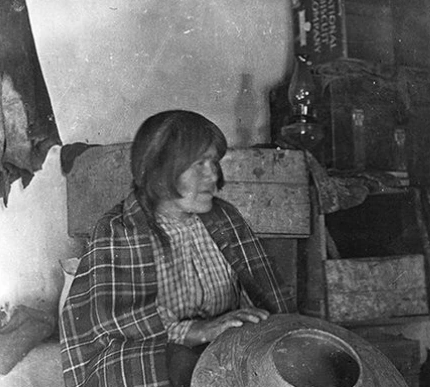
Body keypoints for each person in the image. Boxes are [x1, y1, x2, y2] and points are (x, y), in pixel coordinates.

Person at [59, 110, 295, 387]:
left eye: (214, 162)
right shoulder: (119, 230)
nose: (213, 175)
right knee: (176, 362)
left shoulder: (224, 218)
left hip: (218, 347)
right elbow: (117, 322)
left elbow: (267, 291)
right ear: (160, 172)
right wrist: (198, 331)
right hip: (151, 356)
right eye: (199, 164)